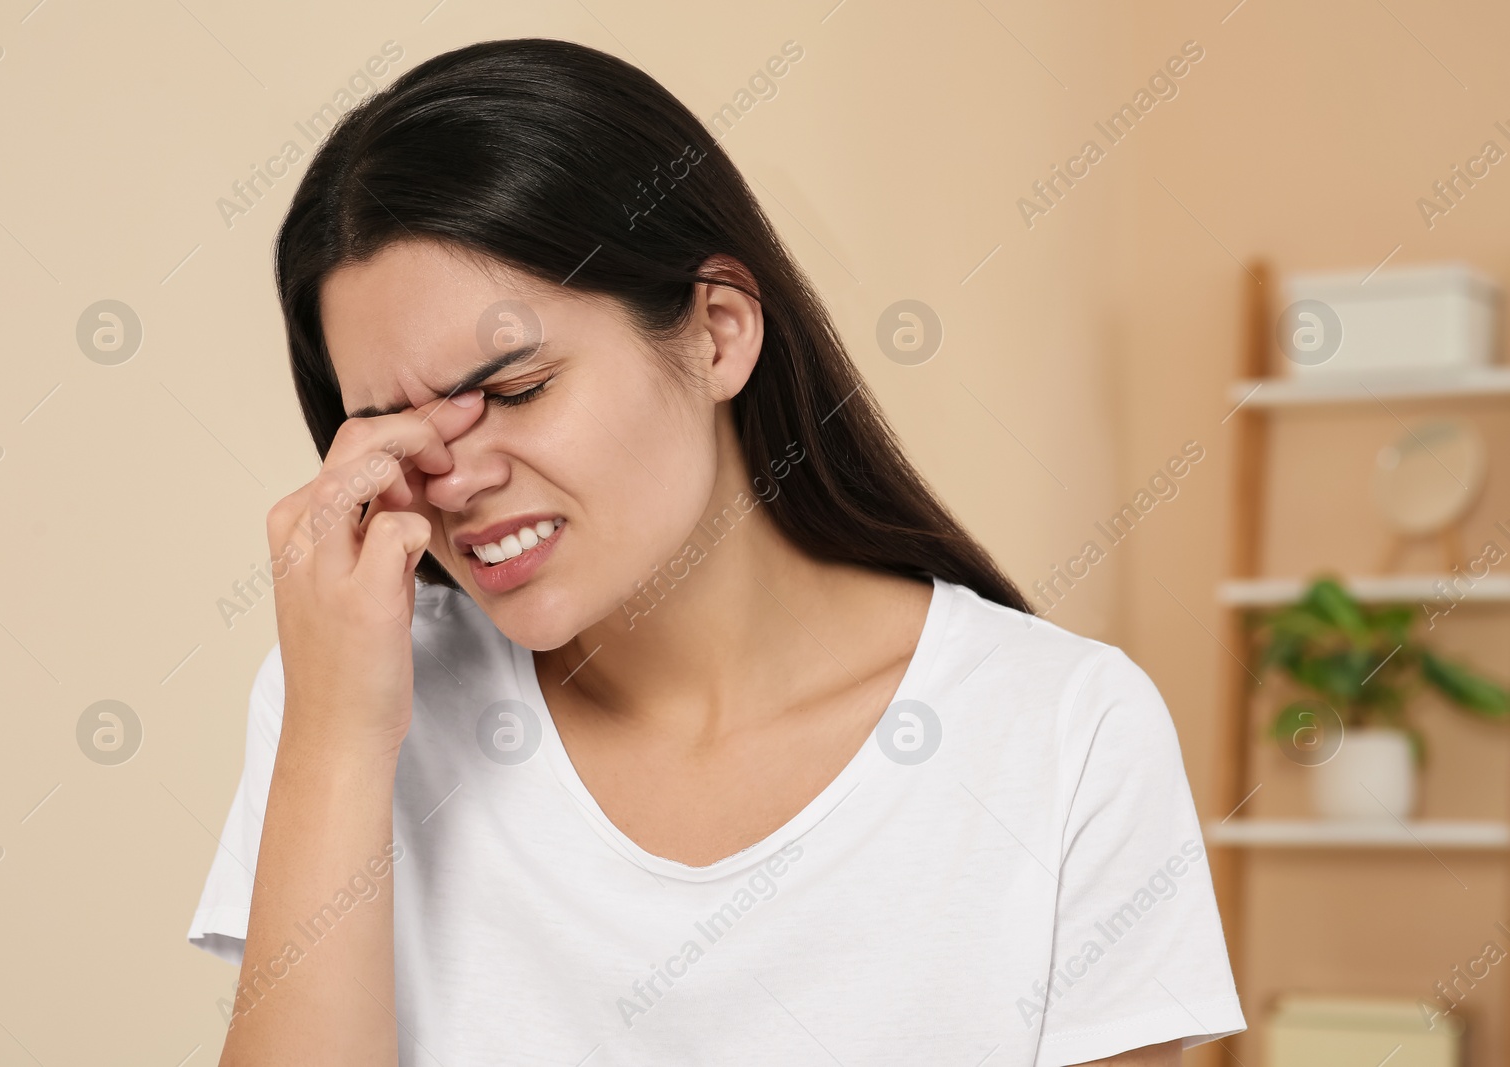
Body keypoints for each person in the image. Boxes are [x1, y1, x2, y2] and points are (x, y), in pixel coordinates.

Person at [186, 37, 1245, 1067]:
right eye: (392, 429)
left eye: (516, 390)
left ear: (719, 331)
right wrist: (334, 735)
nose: (453, 481)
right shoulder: (351, 692)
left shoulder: (1062, 732)